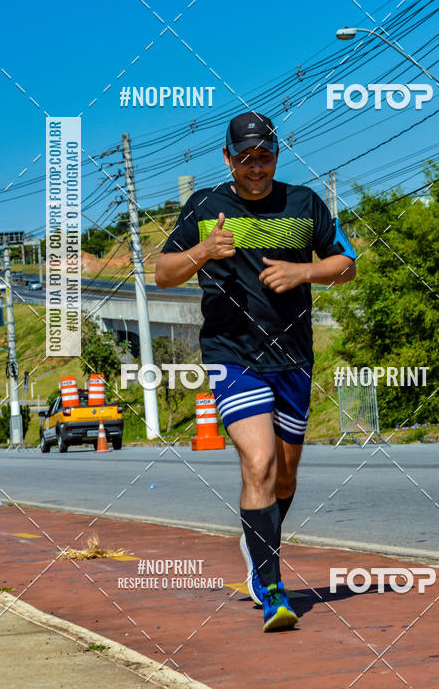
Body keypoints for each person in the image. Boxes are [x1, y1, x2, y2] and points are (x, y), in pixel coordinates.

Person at [155, 111, 357, 631]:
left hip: (293, 357)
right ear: (228, 159)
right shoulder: (204, 208)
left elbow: (346, 264)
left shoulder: (304, 203)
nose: (256, 167)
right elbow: (164, 272)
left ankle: (254, 545)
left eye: (264, 156)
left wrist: (304, 270)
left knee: (284, 475)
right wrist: (203, 250)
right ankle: (271, 587)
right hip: (232, 355)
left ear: (276, 155)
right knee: (260, 461)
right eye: (245, 158)